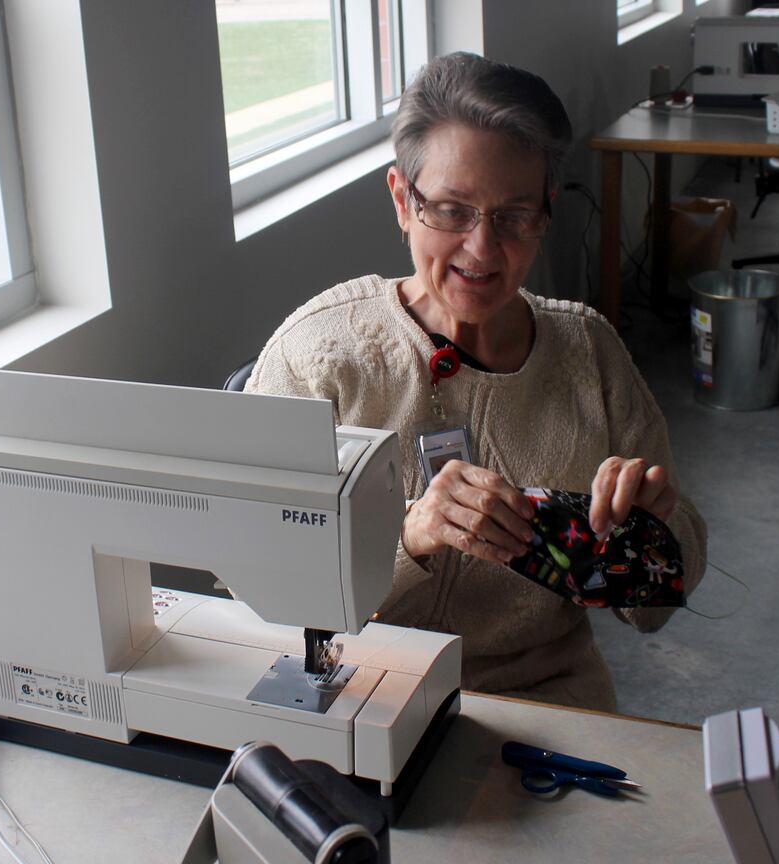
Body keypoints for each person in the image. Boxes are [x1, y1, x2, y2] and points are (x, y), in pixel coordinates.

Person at [245, 52, 706, 712]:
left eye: (514, 216)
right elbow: (260, 585)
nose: (482, 250)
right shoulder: (321, 353)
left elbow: (659, 602)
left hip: (546, 702)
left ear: (547, 213)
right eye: (453, 210)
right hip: (358, 693)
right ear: (403, 201)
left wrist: (647, 542)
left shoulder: (589, 354)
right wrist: (408, 535)